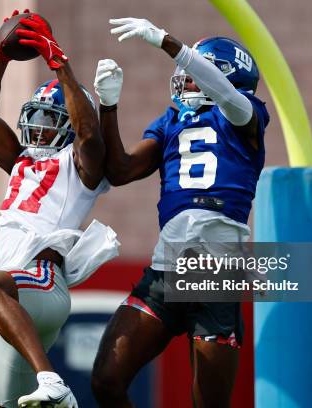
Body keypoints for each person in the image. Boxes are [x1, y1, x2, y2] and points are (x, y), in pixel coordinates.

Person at [90, 17, 270, 408]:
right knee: (106, 380)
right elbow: (120, 169)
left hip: (215, 270)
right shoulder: (171, 121)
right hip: (165, 268)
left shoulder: (245, 115)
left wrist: (170, 43)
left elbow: (226, 95)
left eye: (194, 73)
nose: (185, 80)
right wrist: (109, 105)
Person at [0, 10, 114, 408]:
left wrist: (58, 62)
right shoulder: (20, 160)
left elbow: (88, 133)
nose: (41, 125)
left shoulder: (80, 164)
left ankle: (53, 381)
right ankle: (49, 384)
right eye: (37, 116)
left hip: (42, 282)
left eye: (51, 118)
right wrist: (1, 55)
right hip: (14, 307)